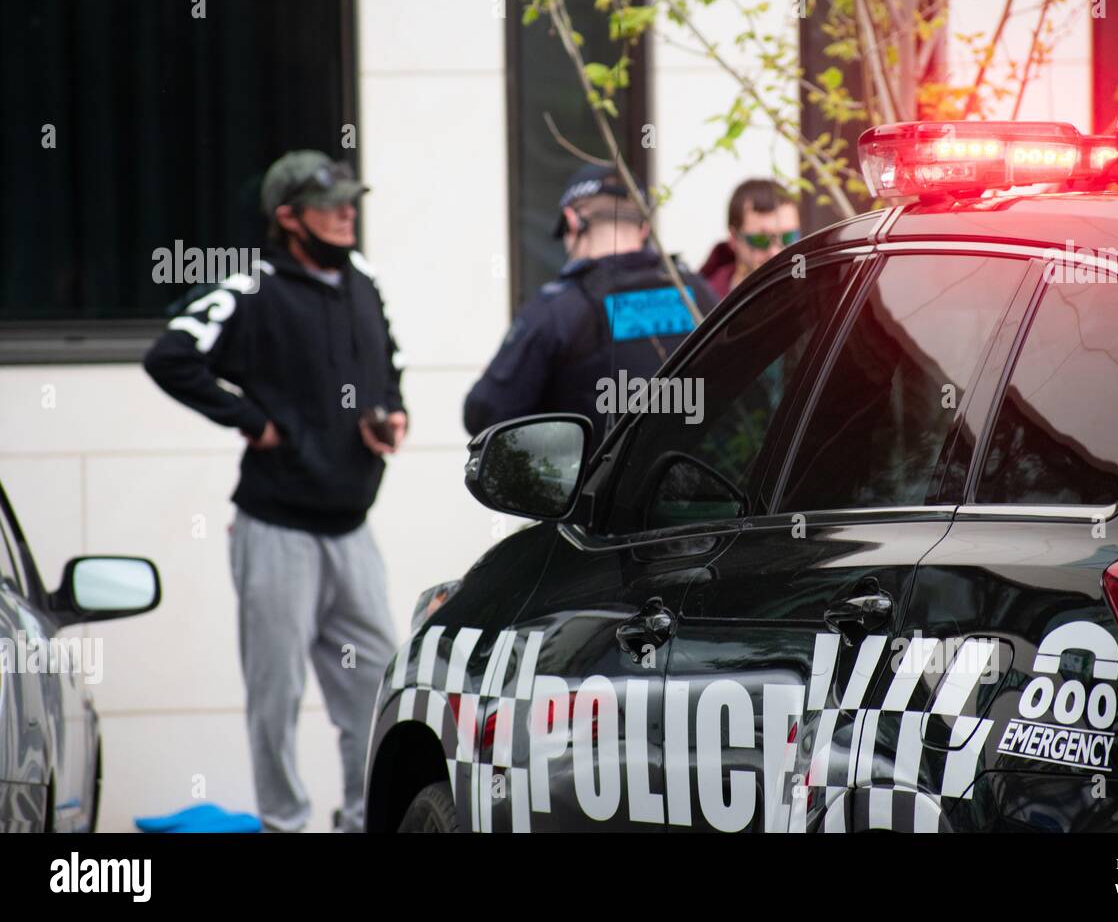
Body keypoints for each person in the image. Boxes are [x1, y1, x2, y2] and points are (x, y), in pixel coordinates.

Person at [143, 150, 406, 833]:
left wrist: (391, 411)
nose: (349, 213)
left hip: (352, 527)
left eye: (353, 201)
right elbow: (170, 355)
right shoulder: (249, 287)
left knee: (377, 688)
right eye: (333, 204)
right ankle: (284, 823)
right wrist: (252, 421)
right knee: (276, 695)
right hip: (275, 530)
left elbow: (390, 361)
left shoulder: (364, 279)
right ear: (288, 218)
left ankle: (363, 820)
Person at [463, 163, 716, 442]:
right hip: (697, 482)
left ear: (572, 220)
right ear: (644, 227)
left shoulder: (559, 310)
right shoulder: (696, 293)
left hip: (598, 485)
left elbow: (484, 416)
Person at [699, 178, 801, 300]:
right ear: (733, 239)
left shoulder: (816, 293)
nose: (776, 252)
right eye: (761, 239)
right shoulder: (699, 302)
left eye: (788, 237)